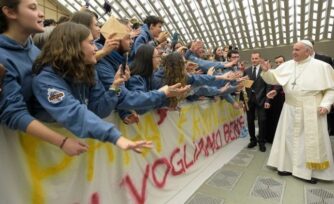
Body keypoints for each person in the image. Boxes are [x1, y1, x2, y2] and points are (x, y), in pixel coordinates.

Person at [32, 22, 152, 153]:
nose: (96, 48)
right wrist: (116, 137)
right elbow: (75, 113)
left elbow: (100, 109)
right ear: (73, 46)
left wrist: (115, 87)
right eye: (91, 43)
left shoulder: (86, 71)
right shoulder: (46, 81)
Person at [0, 0, 87, 156]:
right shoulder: (3, 57)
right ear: (10, 12)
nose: (41, 13)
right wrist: (62, 141)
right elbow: (13, 113)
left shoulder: (34, 51)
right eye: (33, 8)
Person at [261, 40, 334, 184]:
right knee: (288, 138)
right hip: (289, 108)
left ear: (308, 51)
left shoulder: (322, 66)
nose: (294, 52)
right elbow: (274, 78)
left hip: (312, 109)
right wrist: (266, 71)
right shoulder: (288, 65)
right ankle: (286, 167)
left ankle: (309, 172)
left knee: (308, 142)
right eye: (293, 49)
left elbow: (331, 89)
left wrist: (326, 104)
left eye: (298, 50)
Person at [244, 52, 271, 152]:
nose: (254, 60)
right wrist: (243, 101)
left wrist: (268, 100)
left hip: (262, 100)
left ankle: (261, 142)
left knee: (262, 121)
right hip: (249, 100)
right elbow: (244, 86)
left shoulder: (264, 70)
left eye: (256, 58)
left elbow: (268, 85)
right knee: (250, 121)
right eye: (253, 58)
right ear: (251, 59)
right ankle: (253, 140)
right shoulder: (246, 70)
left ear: (260, 59)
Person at [265, 56, 286, 143]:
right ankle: (273, 138)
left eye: (280, 62)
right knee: (274, 119)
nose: (278, 64)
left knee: (283, 120)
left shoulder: (288, 72)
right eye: (276, 62)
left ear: (284, 62)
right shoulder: (274, 73)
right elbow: (270, 86)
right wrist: (268, 100)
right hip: (274, 99)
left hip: (284, 99)